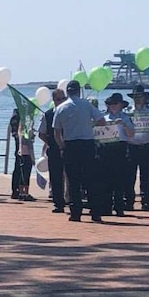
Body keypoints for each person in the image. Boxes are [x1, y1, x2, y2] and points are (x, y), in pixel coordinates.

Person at [52, 80, 106, 222]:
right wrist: (89, 123)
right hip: (87, 144)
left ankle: (75, 212)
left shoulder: (61, 108)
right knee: (91, 179)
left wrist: (62, 146)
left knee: (73, 181)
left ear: (68, 92)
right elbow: (102, 121)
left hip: (70, 145)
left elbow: (56, 132)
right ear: (78, 91)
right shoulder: (86, 105)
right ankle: (95, 212)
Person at [97, 93, 135, 217]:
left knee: (119, 179)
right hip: (106, 149)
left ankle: (119, 207)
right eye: (111, 104)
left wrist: (123, 125)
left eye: (115, 104)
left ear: (121, 105)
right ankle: (106, 207)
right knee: (105, 179)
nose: (113, 106)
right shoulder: (103, 117)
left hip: (120, 148)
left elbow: (131, 134)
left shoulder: (125, 118)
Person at [125, 85, 149, 212]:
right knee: (129, 176)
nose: (138, 99)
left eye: (140, 97)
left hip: (146, 147)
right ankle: (129, 201)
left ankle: (146, 201)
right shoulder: (128, 111)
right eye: (136, 97)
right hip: (132, 146)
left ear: (144, 98)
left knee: (146, 176)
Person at [39, 89, 68, 213]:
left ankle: (72, 201)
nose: (61, 101)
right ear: (54, 100)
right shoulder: (48, 114)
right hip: (55, 150)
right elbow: (41, 133)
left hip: (70, 148)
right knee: (56, 177)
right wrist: (51, 142)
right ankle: (58, 203)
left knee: (72, 176)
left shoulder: (69, 112)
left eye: (63, 99)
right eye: (58, 99)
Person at [15, 110, 37, 202]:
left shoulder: (21, 132)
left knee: (22, 174)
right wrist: (33, 158)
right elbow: (30, 147)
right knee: (26, 174)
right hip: (27, 154)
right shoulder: (27, 133)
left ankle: (21, 192)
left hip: (21, 154)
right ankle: (25, 193)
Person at [9, 109, 22, 199]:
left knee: (21, 168)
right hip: (19, 146)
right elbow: (15, 133)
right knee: (18, 168)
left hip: (23, 145)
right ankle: (15, 190)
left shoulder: (24, 118)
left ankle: (20, 189)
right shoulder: (16, 118)